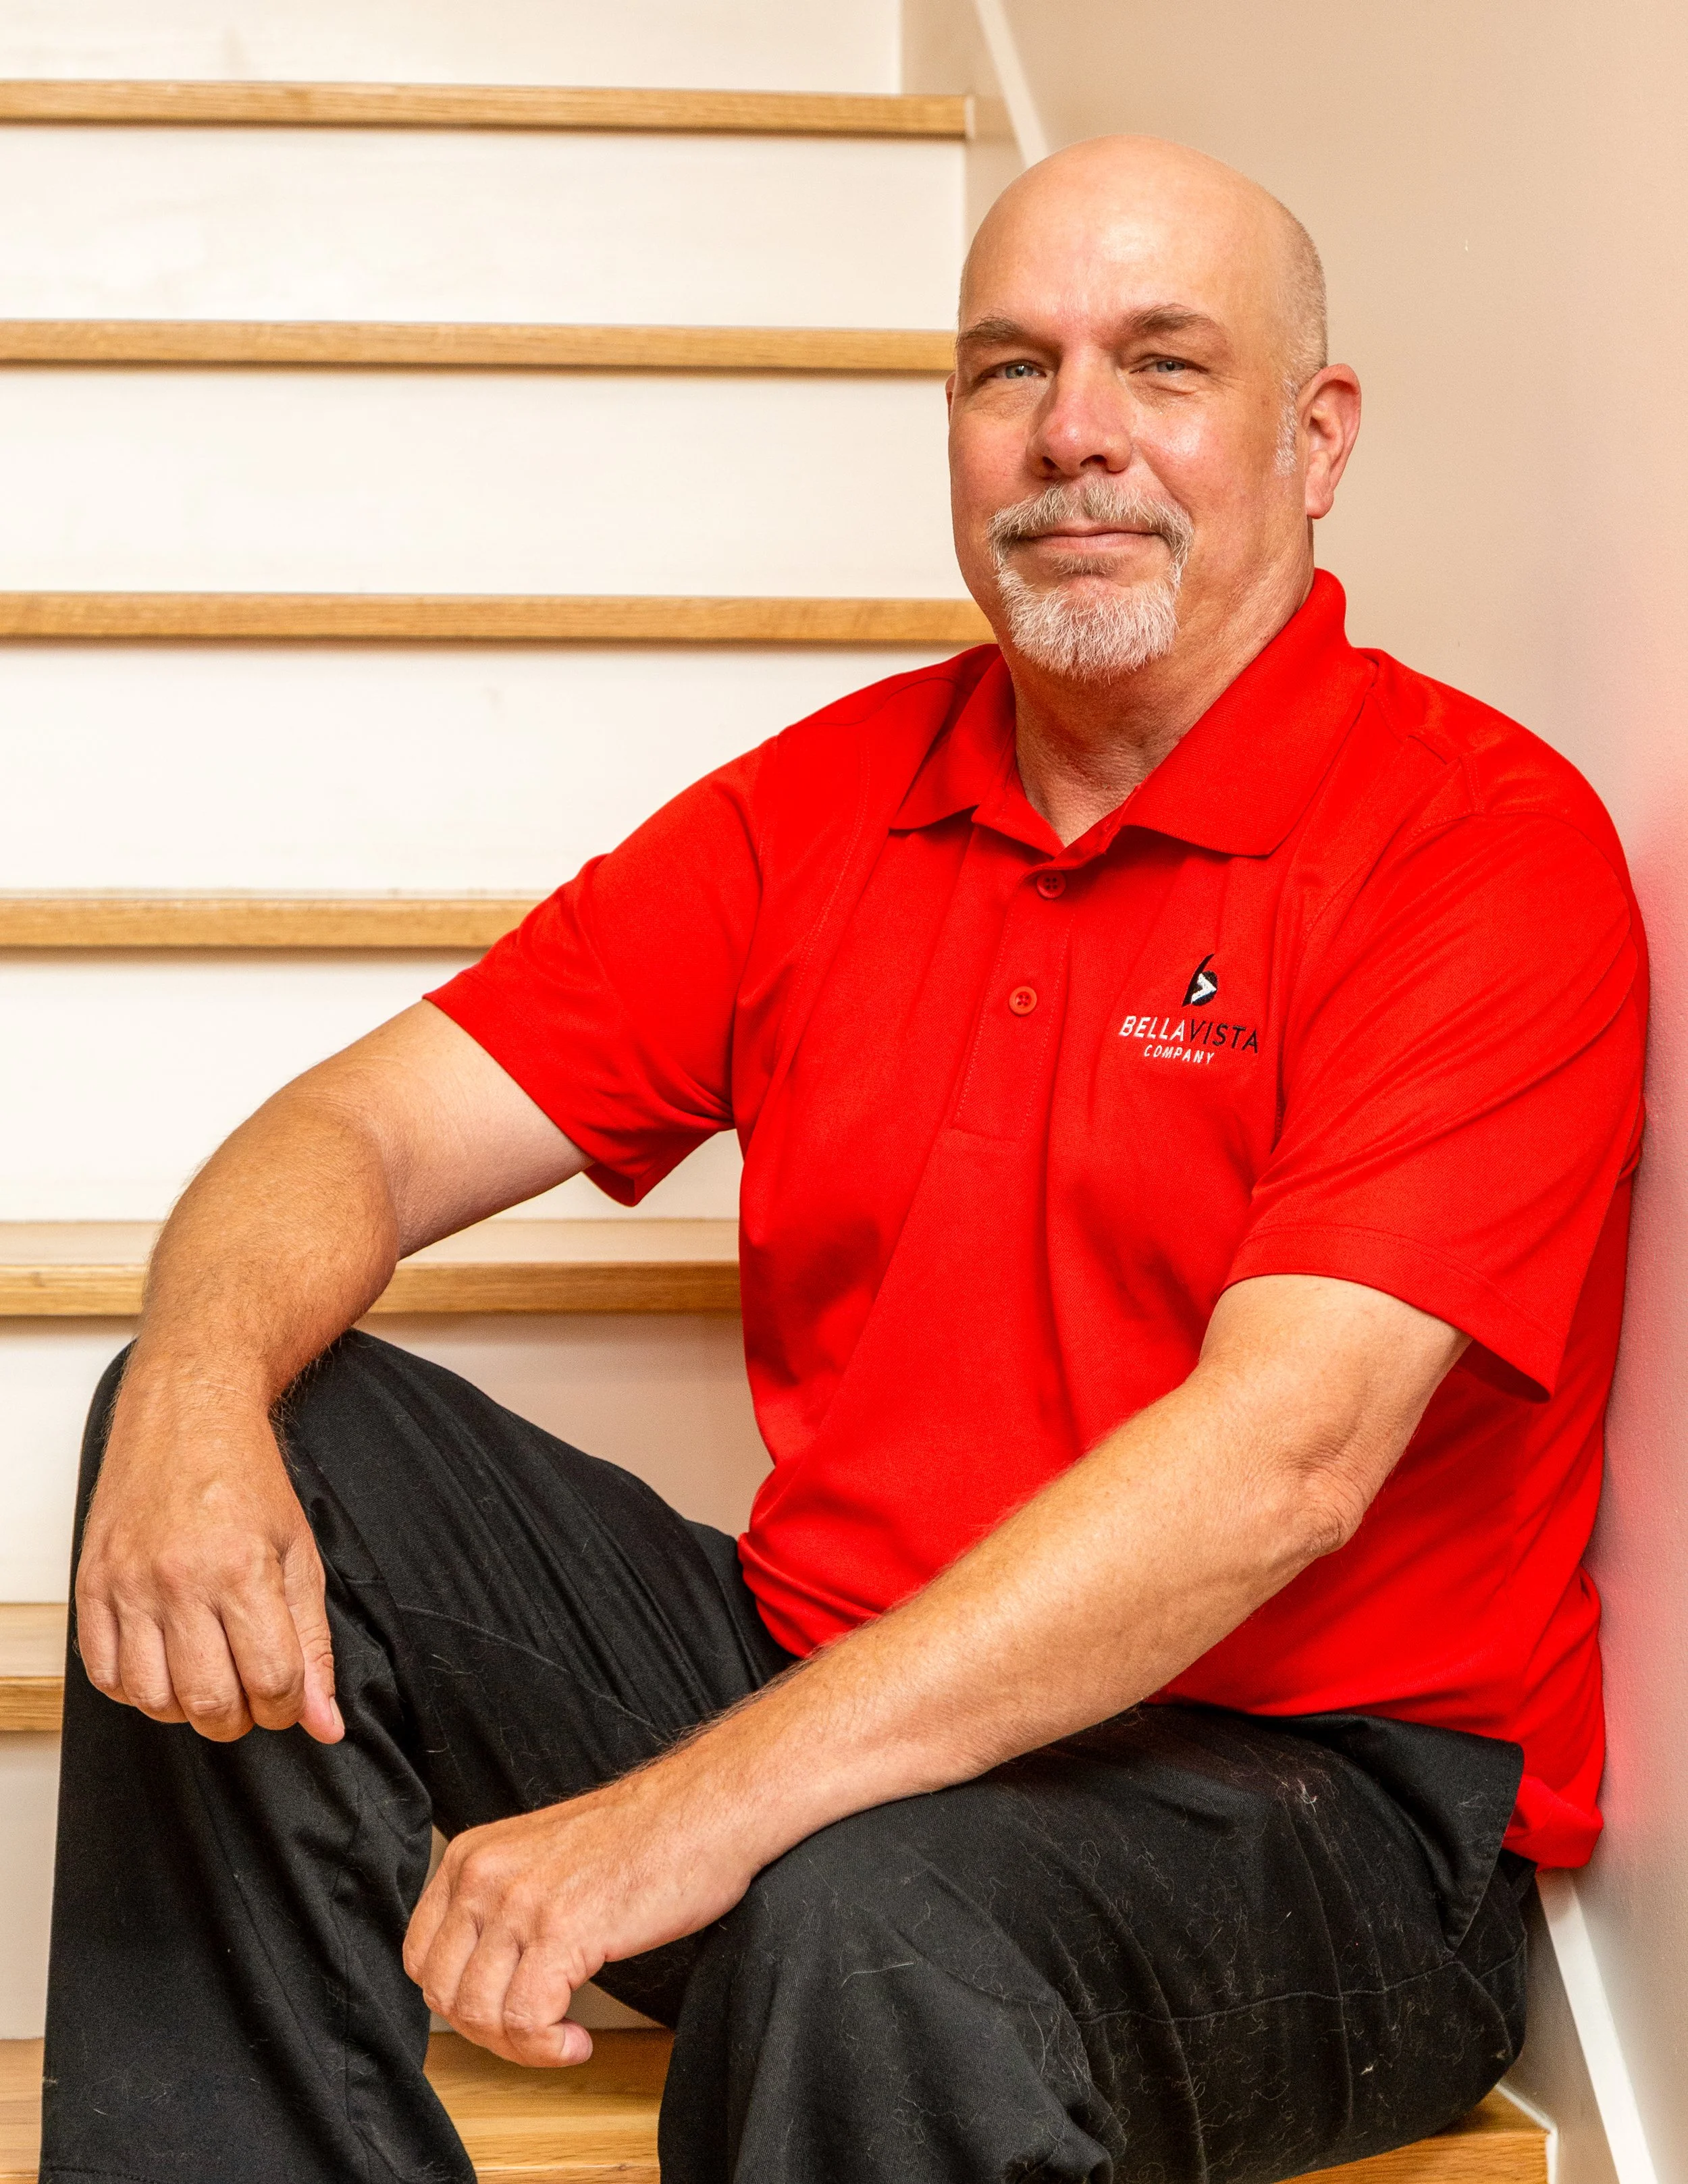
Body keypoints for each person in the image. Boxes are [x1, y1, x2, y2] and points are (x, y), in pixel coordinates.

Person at [43, 134, 1645, 2184]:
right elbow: (348, 1128)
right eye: (1006, 372)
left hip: (1307, 1825)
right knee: (242, 1426)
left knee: (866, 1923)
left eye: (1161, 365)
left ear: (1314, 438)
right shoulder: (821, 810)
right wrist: (191, 1387)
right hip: (836, 1708)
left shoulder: (1475, 851)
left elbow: (1280, 1467)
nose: (1073, 436)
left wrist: (687, 1817)